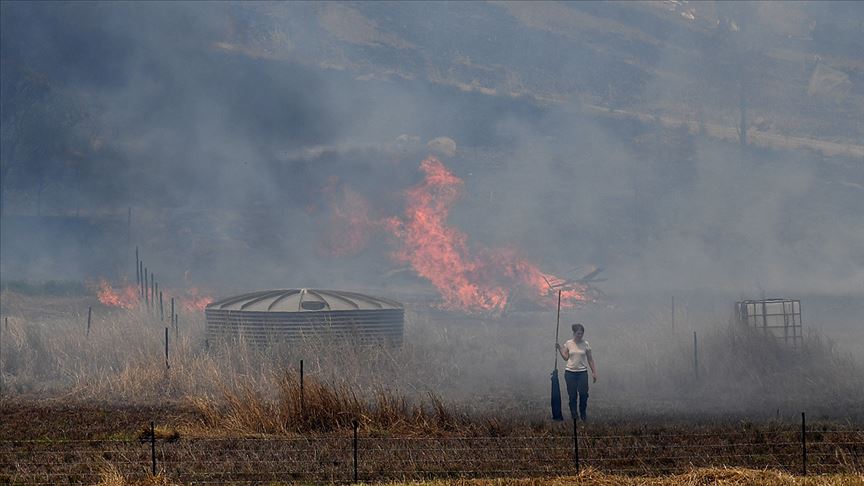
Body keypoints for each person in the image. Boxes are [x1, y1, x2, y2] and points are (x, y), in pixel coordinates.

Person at [555, 323, 597, 421]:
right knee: (572, 395)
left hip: (582, 372)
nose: (580, 335)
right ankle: (574, 415)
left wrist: (594, 372)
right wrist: (560, 348)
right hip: (570, 373)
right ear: (574, 333)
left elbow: (590, 359)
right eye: (578, 333)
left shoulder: (586, 344)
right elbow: (565, 357)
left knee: (584, 394)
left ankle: (583, 413)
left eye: (581, 333)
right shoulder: (569, 343)